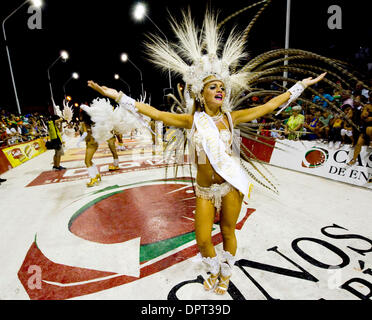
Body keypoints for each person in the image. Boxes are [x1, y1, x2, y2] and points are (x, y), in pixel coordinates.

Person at [87, 11, 326, 295]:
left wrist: (300, 87)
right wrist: (118, 96)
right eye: (214, 87)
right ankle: (213, 269)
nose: (220, 91)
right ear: (201, 92)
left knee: (227, 232)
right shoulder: (192, 121)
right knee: (202, 239)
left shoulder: (231, 117)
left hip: (229, 184)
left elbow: (268, 106)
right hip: (204, 189)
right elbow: (156, 113)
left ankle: (225, 274)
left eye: (223, 87)